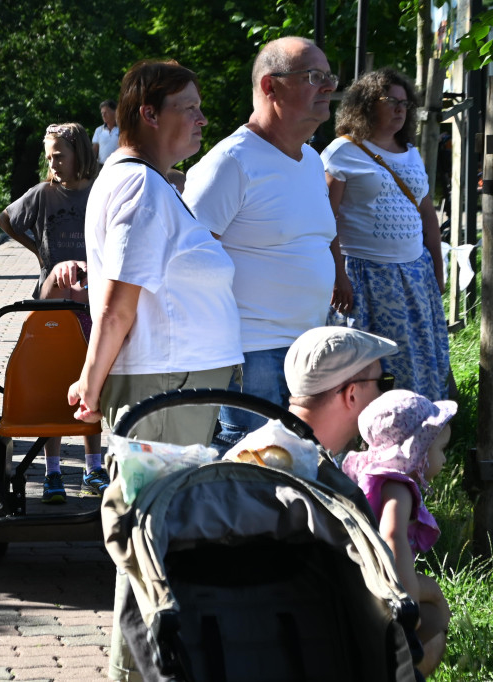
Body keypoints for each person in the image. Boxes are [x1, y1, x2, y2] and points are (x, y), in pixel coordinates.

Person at [65, 60, 244, 682]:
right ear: (148, 111)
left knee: (157, 542)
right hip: (163, 390)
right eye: (188, 107)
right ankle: (136, 672)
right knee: (152, 545)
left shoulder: (148, 183)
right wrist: (90, 383)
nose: (200, 118)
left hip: (172, 386)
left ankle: (144, 668)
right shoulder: (139, 186)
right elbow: (118, 302)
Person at [185, 36, 339, 449]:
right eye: (313, 77)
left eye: (329, 77)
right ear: (270, 86)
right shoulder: (230, 162)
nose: (328, 87)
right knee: (252, 477)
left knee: (294, 475)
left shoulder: (310, 160)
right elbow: (185, 262)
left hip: (308, 349)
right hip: (252, 356)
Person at [322, 68, 450, 402]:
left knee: (415, 358)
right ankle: (364, 441)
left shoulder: (411, 151)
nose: (399, 109)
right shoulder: (342, 152)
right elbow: (325, 220)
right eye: (390, 101)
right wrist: (338, 277)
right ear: (365, 104)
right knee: (368, 365)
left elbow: (428, 216)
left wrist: (437, 267)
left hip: (415, 274)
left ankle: (418, 432)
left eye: (405, 103)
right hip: (365, 277)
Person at [0, 122, 107, 502]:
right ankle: (53, 471)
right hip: (50, 302)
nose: (54, 163)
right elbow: (5, 219)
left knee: (88, 383)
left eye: (60, 155)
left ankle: (95, 467)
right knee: (55, 383)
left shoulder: (98, 192)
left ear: (80, 154)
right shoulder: (44, 194)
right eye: (49, 157)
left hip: (92, 302)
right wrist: (38, 251)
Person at [343, 390, 455, 676]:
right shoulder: (399, 487)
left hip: (360, 580)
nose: (444, 460)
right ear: (417, 449)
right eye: (441, 449)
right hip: (383, 585)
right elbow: (392, 535)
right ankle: (402, 670)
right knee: (437, 615)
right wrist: (408, 600)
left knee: (438, 609)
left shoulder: (371, 474)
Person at [285, 326, 398, 455]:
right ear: (352, 396)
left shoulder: (269, 448)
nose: (384, 394)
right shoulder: (308, 471)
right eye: (383, 383)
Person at [91, 100, 119, 166]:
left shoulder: (123, 130)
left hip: (118, 166)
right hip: (101, 166)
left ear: (115, 112)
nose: (103, 115)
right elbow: (95, 150)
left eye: (106, 112)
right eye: (102, 113)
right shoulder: (99, 130)